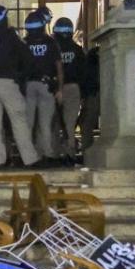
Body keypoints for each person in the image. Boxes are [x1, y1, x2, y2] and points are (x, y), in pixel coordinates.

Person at [0, 3, 40, 168]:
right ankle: (30, 159)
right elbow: (28, 57)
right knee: (18, 120)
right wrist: (21, 77)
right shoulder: (10, 35)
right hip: (8, 82)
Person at [23, 10, 63, 162]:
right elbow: (59, 67)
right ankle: (46, 154)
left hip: (28, 86)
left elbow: (18, 66)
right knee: (45, 124)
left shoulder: (24, 43)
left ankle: (29, 157)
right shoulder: (51, 42)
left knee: (28, 124)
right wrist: (59, 89)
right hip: (47, 85)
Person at [53, 17, 86, 165]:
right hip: (73, 88)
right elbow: (83, 73)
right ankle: (70, 153)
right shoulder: (77, 50)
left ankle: (56, 154)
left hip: (55, 89)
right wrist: (84, 94)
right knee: (70, 123)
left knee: (54, 123)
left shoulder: (53, 49)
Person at [80, 46, 101, 153]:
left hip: (92, 94)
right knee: (87, 123)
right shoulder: (93, 59)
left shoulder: (89, 60)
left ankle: (87, 150)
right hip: (95, 93)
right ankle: (87, 149)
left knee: (87, 123)